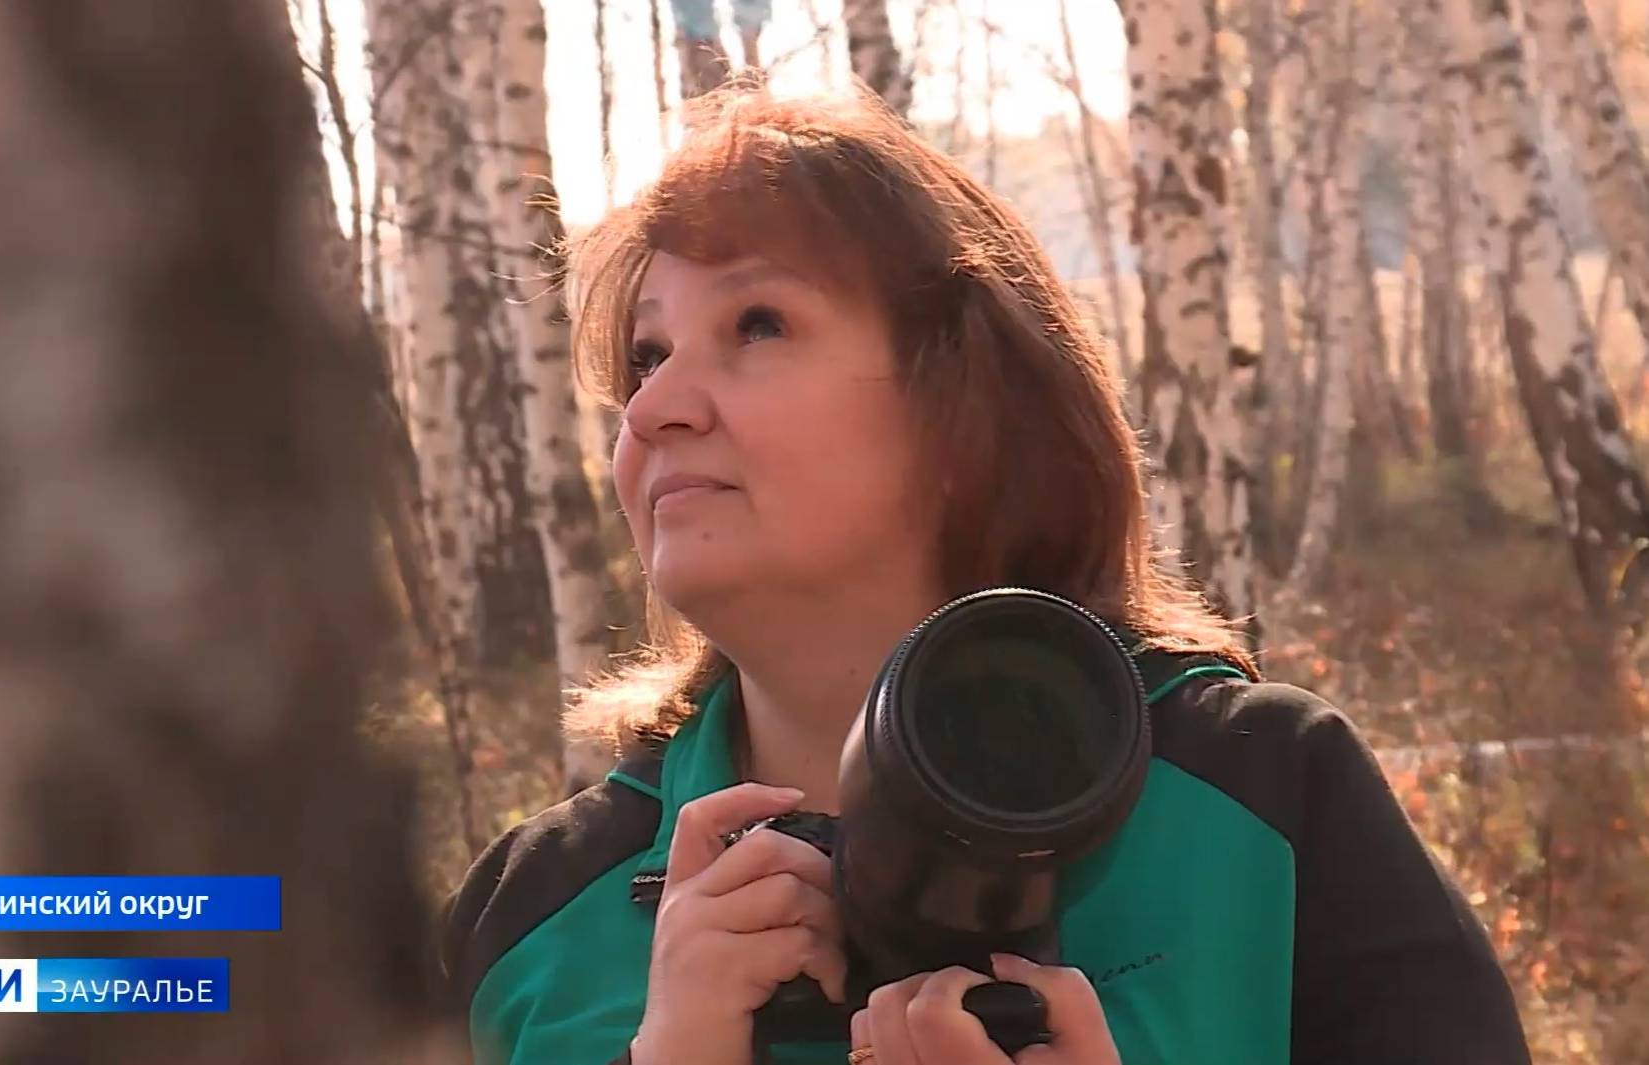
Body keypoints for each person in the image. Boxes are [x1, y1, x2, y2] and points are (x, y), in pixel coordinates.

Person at [438, 81, 1530, 1065]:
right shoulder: (523, 921)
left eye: (756, 324)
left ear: (964, 409)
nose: (654, 406)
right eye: (645, 355)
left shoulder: (1260, 798)